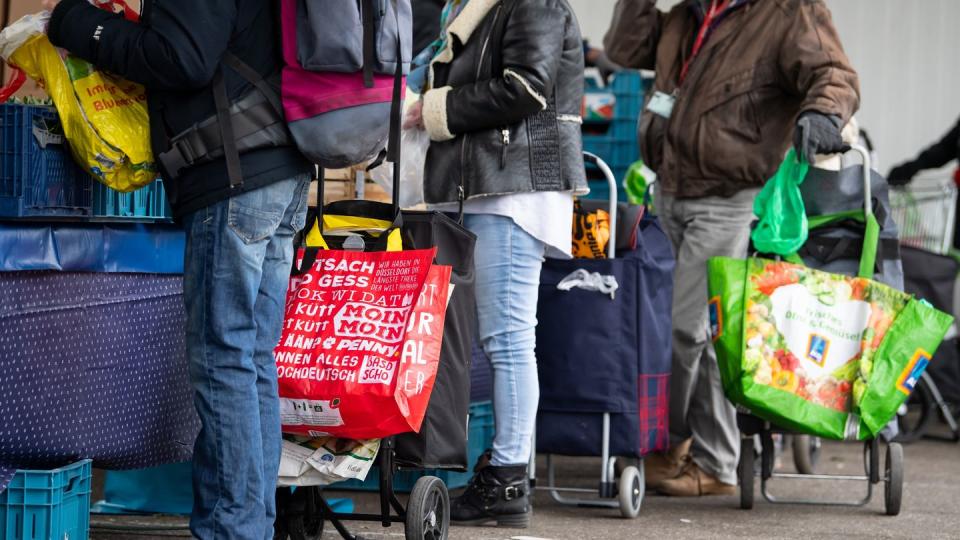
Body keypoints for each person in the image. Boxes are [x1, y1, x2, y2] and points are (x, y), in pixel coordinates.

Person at [44, 0, 313, 537]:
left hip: (234, 176)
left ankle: (233, 528)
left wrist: (77, 23)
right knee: (251, 359)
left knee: (225, 359)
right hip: (280, 169)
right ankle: (249, 524)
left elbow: (182, 58)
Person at [605, 0, 859, 496]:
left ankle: (686, 449)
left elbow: (833, 73)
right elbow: (623, 48)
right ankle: (701, 454)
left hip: (728, 198)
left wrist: (824, 113)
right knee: (688, 328)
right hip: (670, 188)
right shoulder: (686, 15)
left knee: (685, 329)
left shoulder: (787, 11)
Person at [404, 0, 587, 527]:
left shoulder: (534, 3)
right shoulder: (480, 6)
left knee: (508, 338)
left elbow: (526, 88)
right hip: (492, 185)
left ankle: (508, 475)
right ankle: (507, 470)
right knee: (505, 338)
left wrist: (432, 110)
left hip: (512, 188)